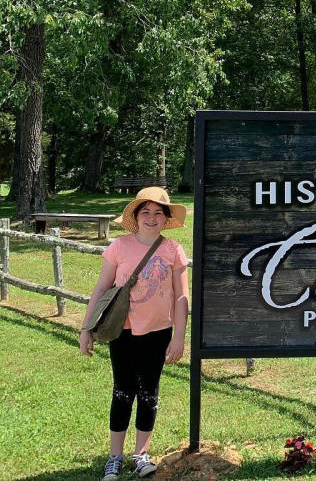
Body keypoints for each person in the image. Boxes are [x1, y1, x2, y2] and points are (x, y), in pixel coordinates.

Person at [80, 187, 189, 480]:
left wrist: (179, 336)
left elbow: (182, 297)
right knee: (123, 390)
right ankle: (114, 457)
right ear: (135, 216)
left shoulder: (173, 251)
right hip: (122, 331)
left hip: (158, 332)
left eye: (158, 213)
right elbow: (101, 289)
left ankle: (141, 453)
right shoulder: (119, 247)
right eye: (145, 212)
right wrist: (86, 328)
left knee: (149, 392)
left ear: (166, 219)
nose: (151, 218)